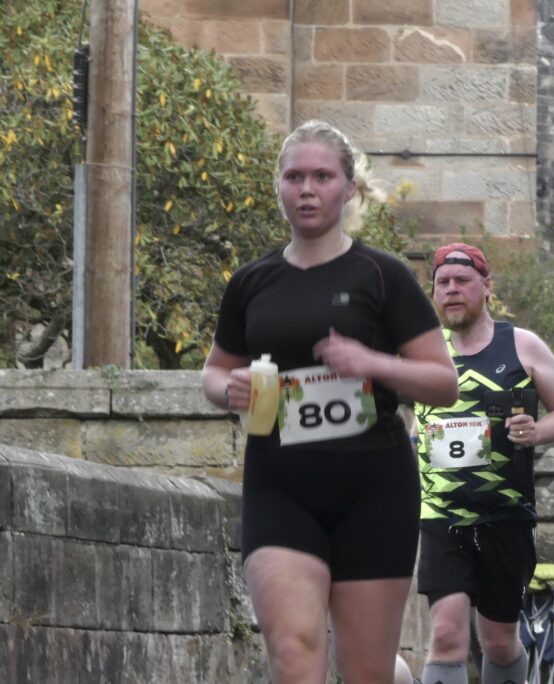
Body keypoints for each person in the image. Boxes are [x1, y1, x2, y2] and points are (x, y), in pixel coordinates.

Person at [201, 119, 459, 684]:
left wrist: (373, 363)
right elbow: (215, 371)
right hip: (280, 485)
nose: (307, 189)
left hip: (375, 490)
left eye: (322, 177)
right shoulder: (251, 282)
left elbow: (444, 383)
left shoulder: (383, 276)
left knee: (366, 672)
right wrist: (229, 389)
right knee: (294, 652)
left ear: (350, 188)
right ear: (278, 187)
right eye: (294, 177)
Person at [414, 243, 554, 684]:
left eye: (462, 281)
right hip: (441, 515)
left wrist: (536, 431)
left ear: (487, 286)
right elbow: (403, 416)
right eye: (442, 283)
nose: (451, 290)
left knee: (500, 642)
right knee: (446, 634)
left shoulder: (522, 344)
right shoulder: (423, 352)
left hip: (505, 515)